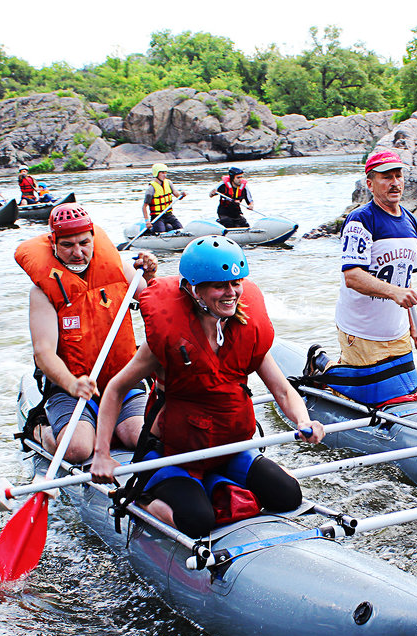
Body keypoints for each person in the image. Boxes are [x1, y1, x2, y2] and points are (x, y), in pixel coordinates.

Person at [90, 236, 325, 539]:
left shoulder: (247, 330)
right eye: (219, 285)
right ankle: (144, 500)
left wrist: (304, 421)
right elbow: (116, 389)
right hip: (173, 453)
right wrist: (101, 453)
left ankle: (216, 486)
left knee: (288, 494)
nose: (231, 293)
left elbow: (282, 391)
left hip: (227, 449)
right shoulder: (164, 340)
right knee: (198, 521)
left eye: (236, 282)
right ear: (193, 289)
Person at [18, 202, 159, 463]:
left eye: (84, 243)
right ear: (53, 244)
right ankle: (40, 429)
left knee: (137, 437)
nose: (78, 253)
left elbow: (159, 306)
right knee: (77, 450)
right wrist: (72, 383)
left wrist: (150, 277)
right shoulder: (42, 292)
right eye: (67, 245)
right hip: (71, 386)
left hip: (123, 380)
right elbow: (43, 352)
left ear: (94, 237)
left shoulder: (123, 271)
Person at [321, 149, 417, 405]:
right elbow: (353, 276)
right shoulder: (360, 220)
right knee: (369, 398)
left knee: (409, 394)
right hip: (361, 330)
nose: (395, 183)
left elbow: (406, 279)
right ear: (370, 183)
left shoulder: (411, 222)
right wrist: (394, 292)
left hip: (397, 330)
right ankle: (323, 368)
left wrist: (413, 325)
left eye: (398, 175)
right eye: (386, 177)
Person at [143, 162, 186, 233]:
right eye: (162, 173)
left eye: (165, 173)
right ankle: (150, 231)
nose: (164, 175)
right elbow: (144, 206)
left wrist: (182, 195)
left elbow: (178, 196)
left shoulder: (169, 183)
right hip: (157, 217)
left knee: (180, 229)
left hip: (169, 215)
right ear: (156, 173)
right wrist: (147, 221)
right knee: (160, 231)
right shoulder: (151, 189)